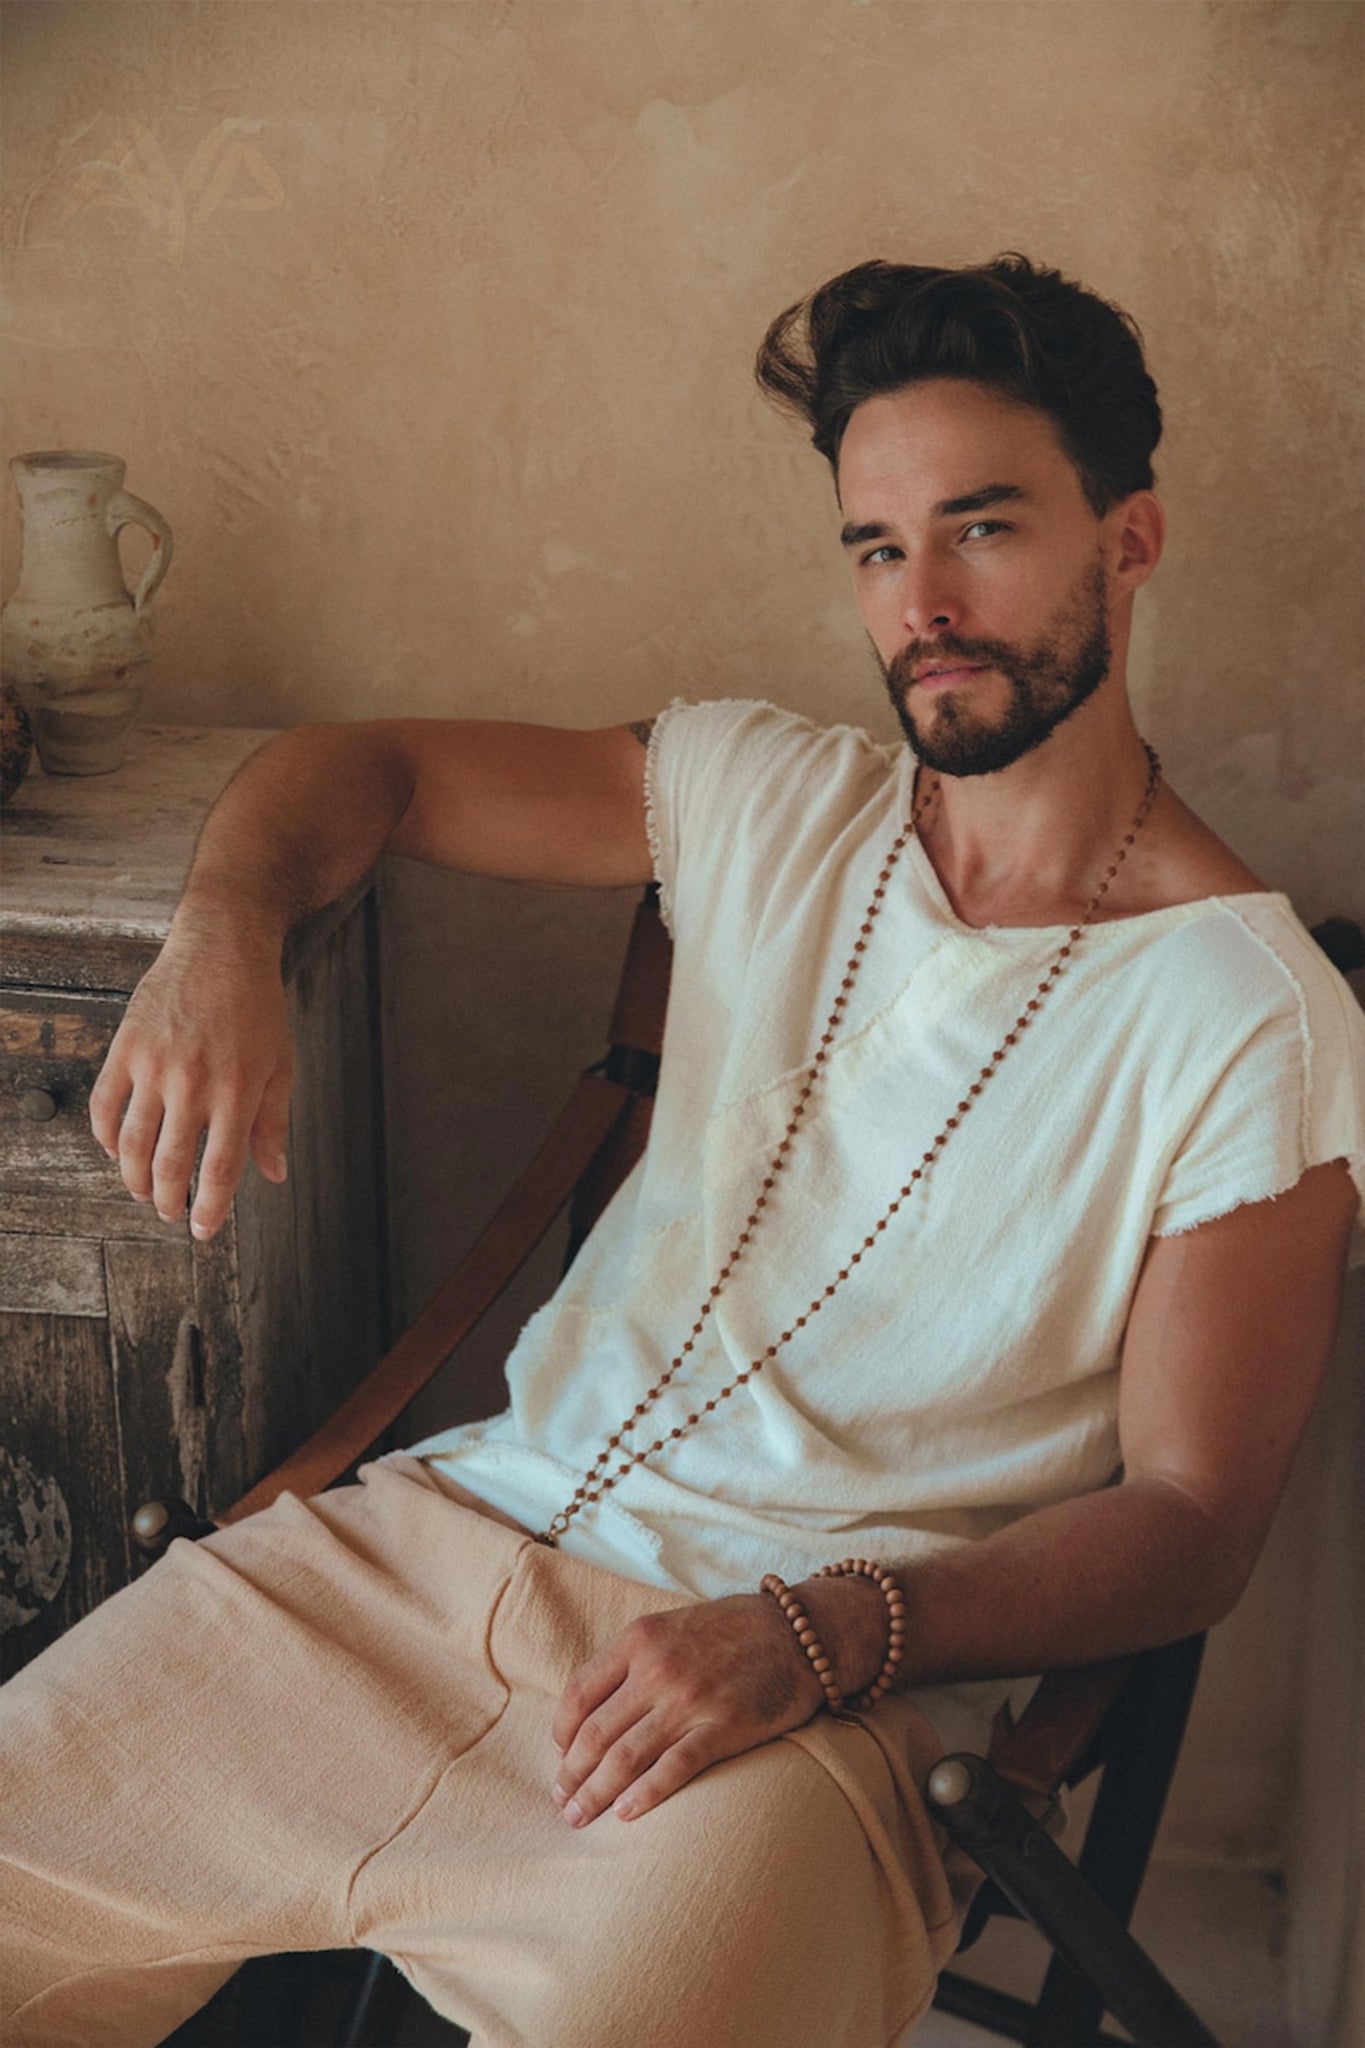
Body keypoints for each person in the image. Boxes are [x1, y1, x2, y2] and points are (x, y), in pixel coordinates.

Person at [3, 255, 1362, 2048]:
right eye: (877, 548)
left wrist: (821, 1637)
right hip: (417, 1564)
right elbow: (366, 766)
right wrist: (224, 932)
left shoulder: (1250, 1021)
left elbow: (1190, 1528)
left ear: (1130, 539)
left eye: (982, 530)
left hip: (790, 1705)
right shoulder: (759, 792)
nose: (923, 603)